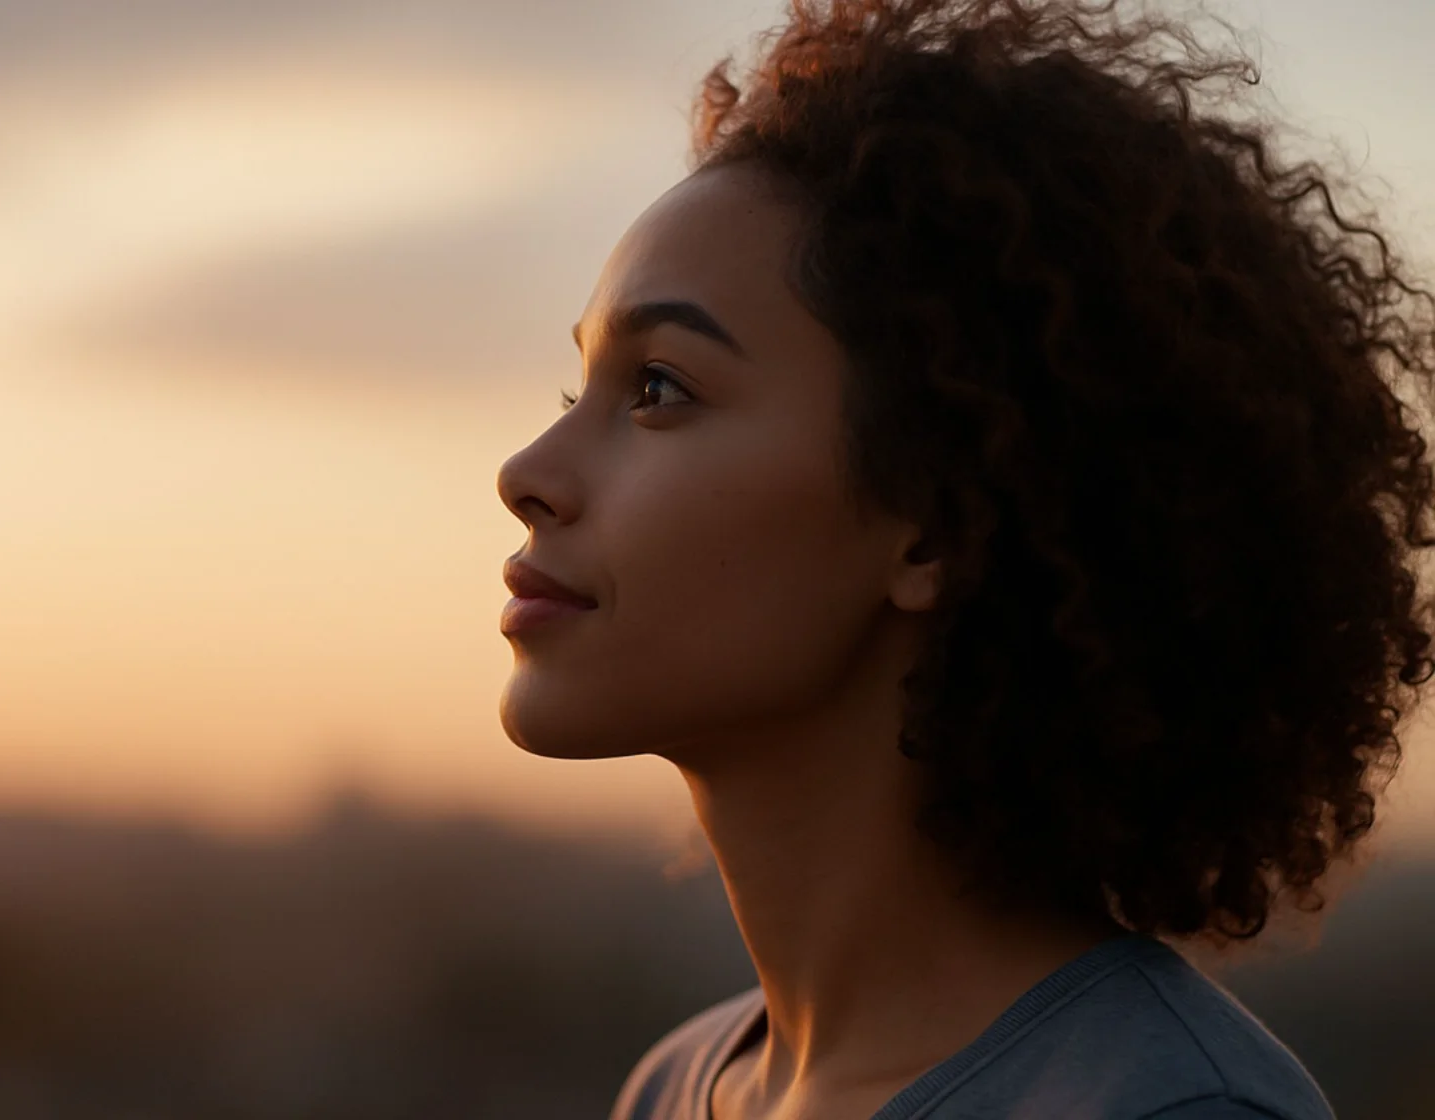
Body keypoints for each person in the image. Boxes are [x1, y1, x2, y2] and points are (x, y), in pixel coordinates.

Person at [491, 1, 1435, 1117]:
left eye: (657, 389)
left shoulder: (1165, 1109)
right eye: (578, 388)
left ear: (934, 524)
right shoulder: (674, 1087)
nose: (526, 471)